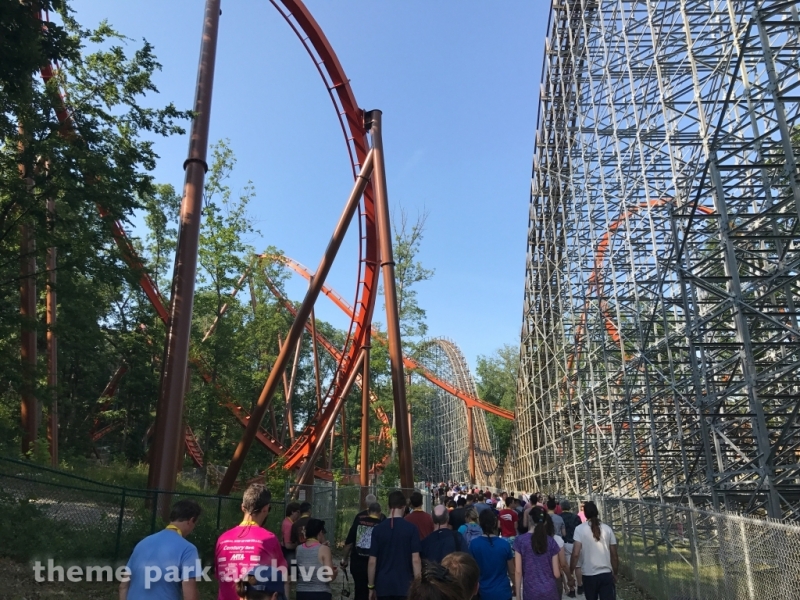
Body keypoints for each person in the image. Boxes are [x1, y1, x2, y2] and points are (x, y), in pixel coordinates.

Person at [216, 484, 288, 600]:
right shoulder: (269, 539)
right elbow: (282, 577)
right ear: (265, 509)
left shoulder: (222, 539)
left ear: (242, 507)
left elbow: (219, 577)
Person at [119, 500, 202, 600]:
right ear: (191, 521)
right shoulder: (188, 549)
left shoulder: (142, 543)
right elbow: (190, 596)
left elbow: (123, 586)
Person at [368, 490, 422, 600]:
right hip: (405, 586)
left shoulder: (377, 530)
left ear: (388, 506)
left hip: (383, 586)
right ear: (404, 507)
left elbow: (372, 561)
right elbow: (416, 560)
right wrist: (418, 586)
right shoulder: (411, 529)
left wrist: (371, 586)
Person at [570, 501, 618, 600]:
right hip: (606, 573)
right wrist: (615, 572)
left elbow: (575, 554)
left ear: (585, 514)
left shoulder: (579, 529)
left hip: (589, 574)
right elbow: (614, 555)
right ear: (597, 512)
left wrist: (571, 572)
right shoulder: (607, 529)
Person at [513, 509, 560, 600]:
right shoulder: (551, 541)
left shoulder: (520, 541)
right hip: (550, 591)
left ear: (529, 519)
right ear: (545, 522)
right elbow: (556, 574)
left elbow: (518, 571)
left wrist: (518, 596)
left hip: (531, 592)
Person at [467, 510, 515, 600]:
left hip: (483, 593)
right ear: (495, 523)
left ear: (480, 523)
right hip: (503, 592)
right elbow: (512, 571)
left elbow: (471, 571)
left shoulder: (474, 544)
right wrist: (515, 586)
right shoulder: (504, 545)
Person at [341, 502, 384, 600]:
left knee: (359, 591)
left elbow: (349, 544)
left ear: (368, 512)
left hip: (358, 564)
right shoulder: (382, 525)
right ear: (380, 513)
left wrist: (344, 559)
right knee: (374, 592)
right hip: (376, 565)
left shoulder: (358, 522)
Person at [296, 518, 337, 600]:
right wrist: (335, 572)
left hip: (301, 593)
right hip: (320, 593)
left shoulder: (298, 549)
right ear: (320, 532)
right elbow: (330, 577)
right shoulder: (324, 549)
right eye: (324, 532)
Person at [560, 500, 583, 598]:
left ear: (561, 507)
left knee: (568, 568)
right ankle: (580, 585)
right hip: (576, 542)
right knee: (578, 566)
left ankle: (572, 589)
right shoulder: (576, 517)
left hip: (565, 543)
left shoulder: (560, 517)